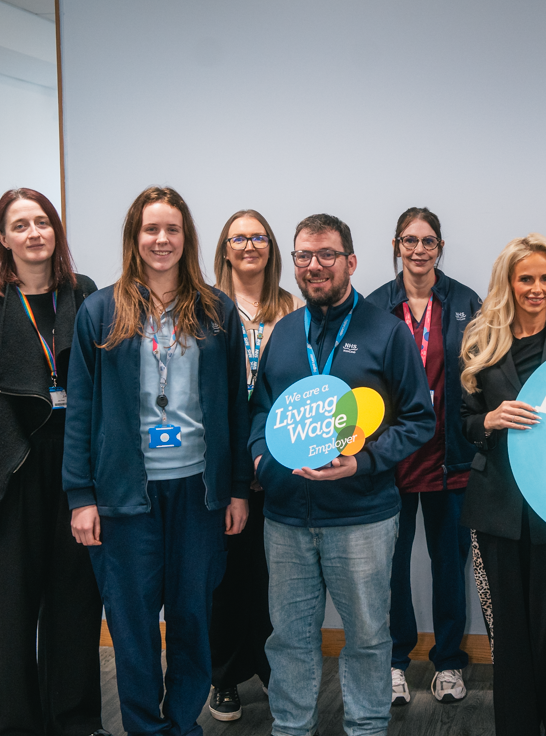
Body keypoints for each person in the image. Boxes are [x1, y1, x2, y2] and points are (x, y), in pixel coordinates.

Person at [63, 186, 252, 736]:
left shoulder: (216, 310)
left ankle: (182, 723)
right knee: (133, 623)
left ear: (186, 238)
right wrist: (81, 496)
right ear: (134, 237)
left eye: (172, 229)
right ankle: (146, 727)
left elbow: (235, 408)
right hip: (125, 497)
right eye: (151, 229)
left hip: (198, 492)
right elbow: (82, 410)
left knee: (192, 617)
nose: (162, 239)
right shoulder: (100, 310)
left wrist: (238, 486)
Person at [249, 213, 435, 736]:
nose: (315, 266)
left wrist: (364, 461)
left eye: (327, 254)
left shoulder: (387, 331)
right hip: (285, 517)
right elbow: (260, 410)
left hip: (362, 517)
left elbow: (420, 419)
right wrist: (262, 456)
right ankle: (290, 726)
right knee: (288, 637)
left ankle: (367, 726)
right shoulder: (286, 333)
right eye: (304, 256)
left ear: (351, 261)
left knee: (370, 636)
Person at [0, 188, 106, 736]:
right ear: (2, 238)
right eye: (21, 225)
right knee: (10, 615)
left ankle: (74, 721)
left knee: (74, 606)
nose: (34, 233)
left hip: (73, 470)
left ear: (55, 232)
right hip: (6, 474)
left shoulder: (80, 293)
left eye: (43, 222)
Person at [460, 234, 546, 736]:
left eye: (545, 278)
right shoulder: (481, 339)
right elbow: (462, 422)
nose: (536, 288)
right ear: (508, 284)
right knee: (509, 642)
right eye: (526, 279)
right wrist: (490, 419)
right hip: (497, 508)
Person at [368, 207, 482, 706]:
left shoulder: (464, 301)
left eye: (428, 241)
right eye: (410, 241)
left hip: (449, 457)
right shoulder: (374, 307)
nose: (419, 250)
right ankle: (395, 660)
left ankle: (450, 661)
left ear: (440, 247)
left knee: (447, 565)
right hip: (392, 460)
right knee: (389, 566)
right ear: (396, 245)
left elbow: (481, 369)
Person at [207, 209, 302, 720]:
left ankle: (269, 669)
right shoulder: (203, 306)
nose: (249, 246)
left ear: (271, 248)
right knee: (226, 574)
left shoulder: (291, 309)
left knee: (275, 577)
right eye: (238, 238)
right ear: (224, 247)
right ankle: (222, 677)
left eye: (258, 237)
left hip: (279, 456)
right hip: (223, 456)